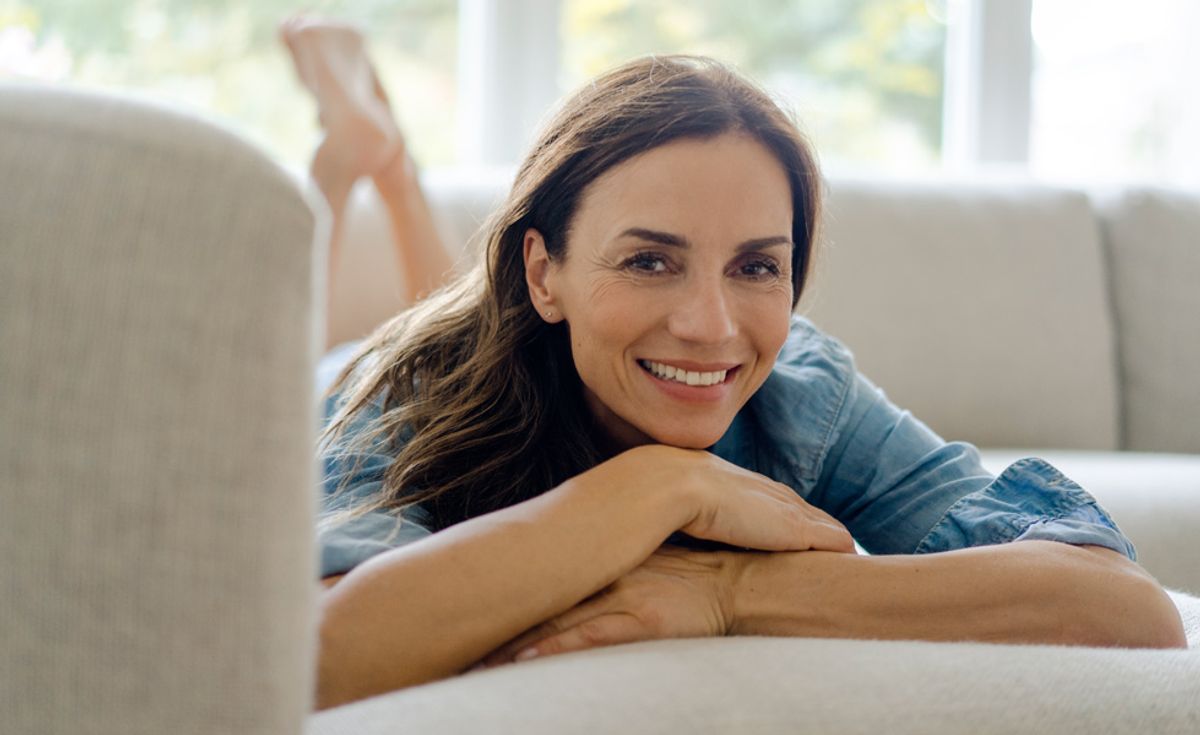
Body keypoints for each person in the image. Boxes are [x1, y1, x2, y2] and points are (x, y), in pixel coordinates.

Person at [280, 18, 1187, 712]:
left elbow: (1125, 610)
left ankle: (386, 161)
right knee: (373, 334)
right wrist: (657, 488)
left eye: (757, 267)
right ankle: (375, 167)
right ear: (543, 268)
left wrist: (732, 587)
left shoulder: (801, 390)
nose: (713, 328)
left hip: (501, 334)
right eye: (649, 259)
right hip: (379, 370)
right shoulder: (403, 400)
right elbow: (311, 655)